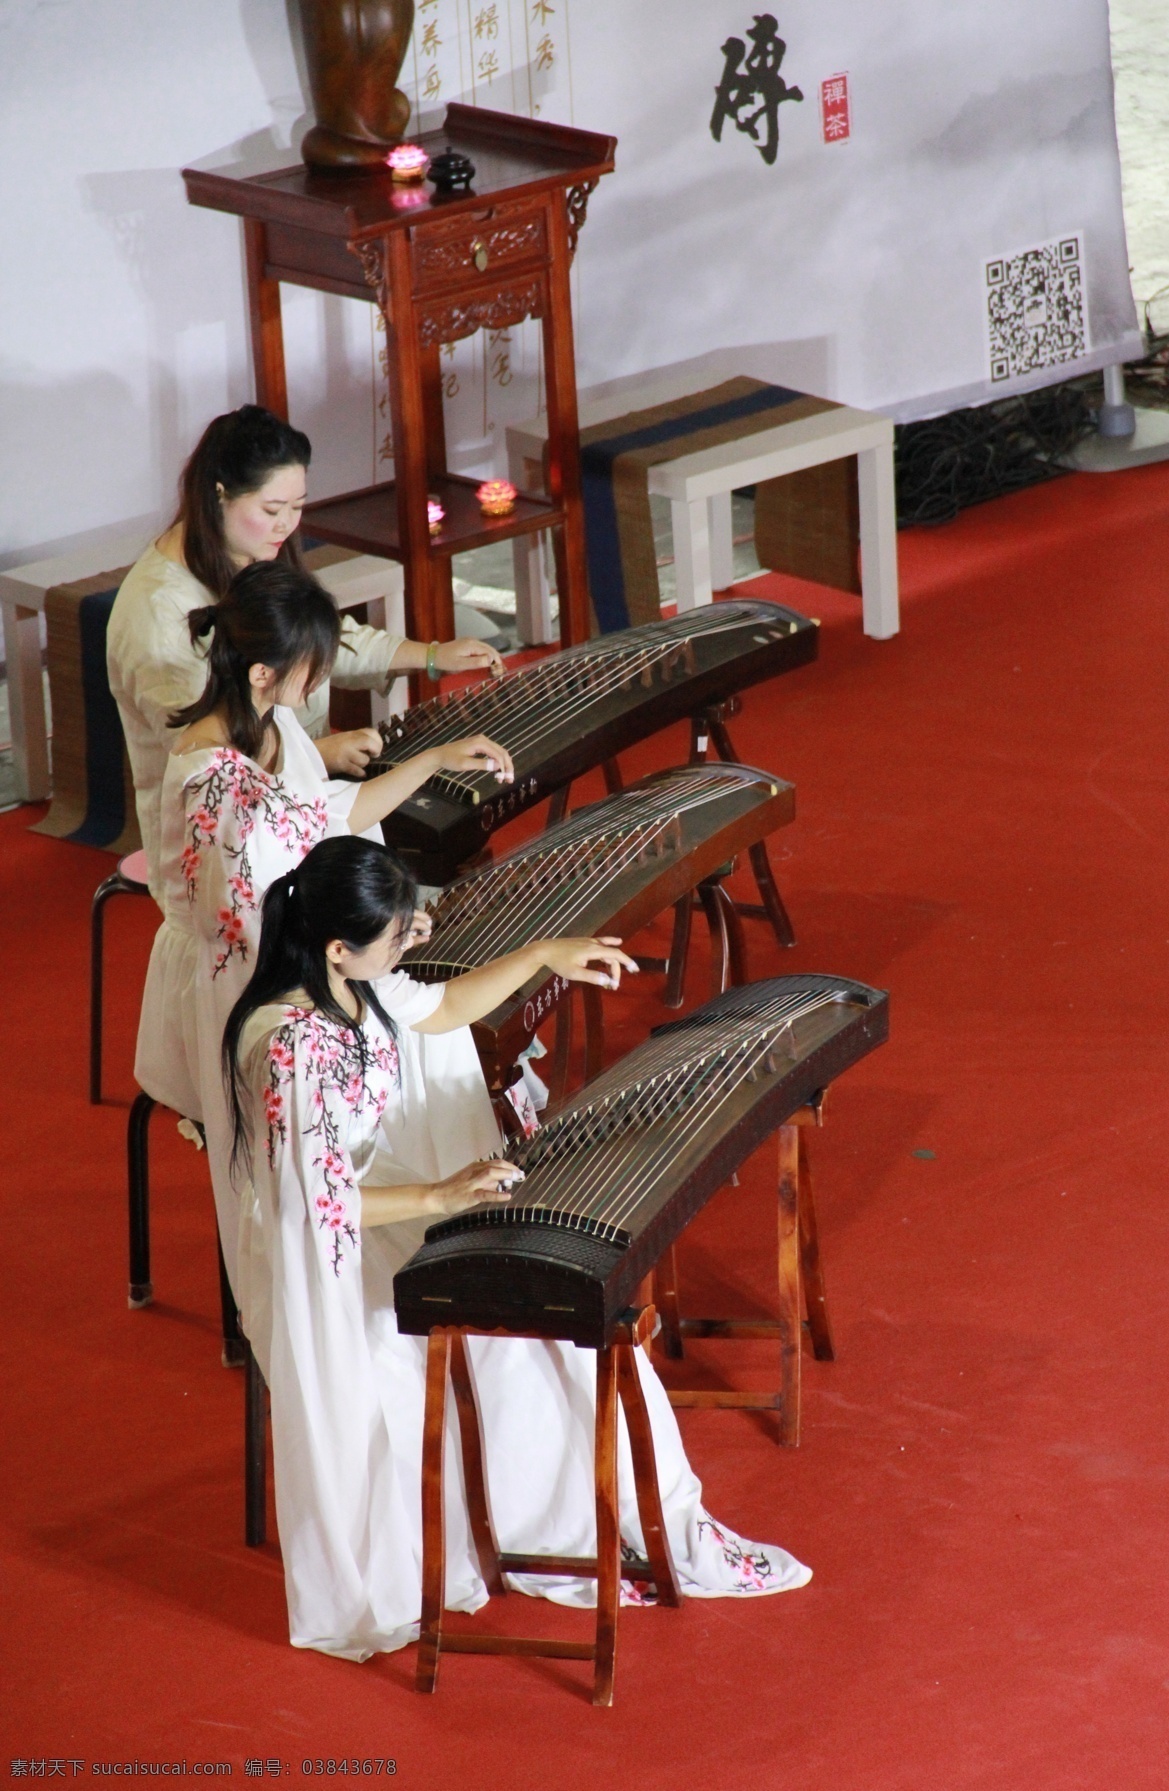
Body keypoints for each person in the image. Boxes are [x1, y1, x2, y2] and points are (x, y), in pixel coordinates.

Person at [223, 834, 812, 1660]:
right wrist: (439, 1195)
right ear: (336, 947)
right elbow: (315, 1204)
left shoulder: (352, 985)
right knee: (509, 1343)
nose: (413, 941)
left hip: (376, 1209)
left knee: (538, 1318)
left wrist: (546, 955)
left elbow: (445, 1005)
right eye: (398, 933)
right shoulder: (289, 1044)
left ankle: (583, 1518)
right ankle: (556, 1523)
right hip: (325, 1253)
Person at [138, 559, 513, 1288]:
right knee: (417, 1036)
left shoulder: (274, 720)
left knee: (437, 1037)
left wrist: (433, 760)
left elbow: (329, 816)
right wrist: (383, 936)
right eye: (309, 673)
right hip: (260, 980)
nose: (315, 690)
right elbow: (254, 916)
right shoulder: (211, 781)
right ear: (260, 674)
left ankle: (447, 1238)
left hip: (317, 953)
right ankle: (405, 1246)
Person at [107, 403, 505, 908]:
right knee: (418, 866)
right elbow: (207, 772)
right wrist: (323, 754)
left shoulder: (244, 551)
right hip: (229, 859)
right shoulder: (158, 619)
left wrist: (427, 656)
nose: (288, 526)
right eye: (273, 511)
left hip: (296, 795)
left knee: (444, 832)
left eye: (297, 508)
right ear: (218, 494)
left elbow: (312, 638)